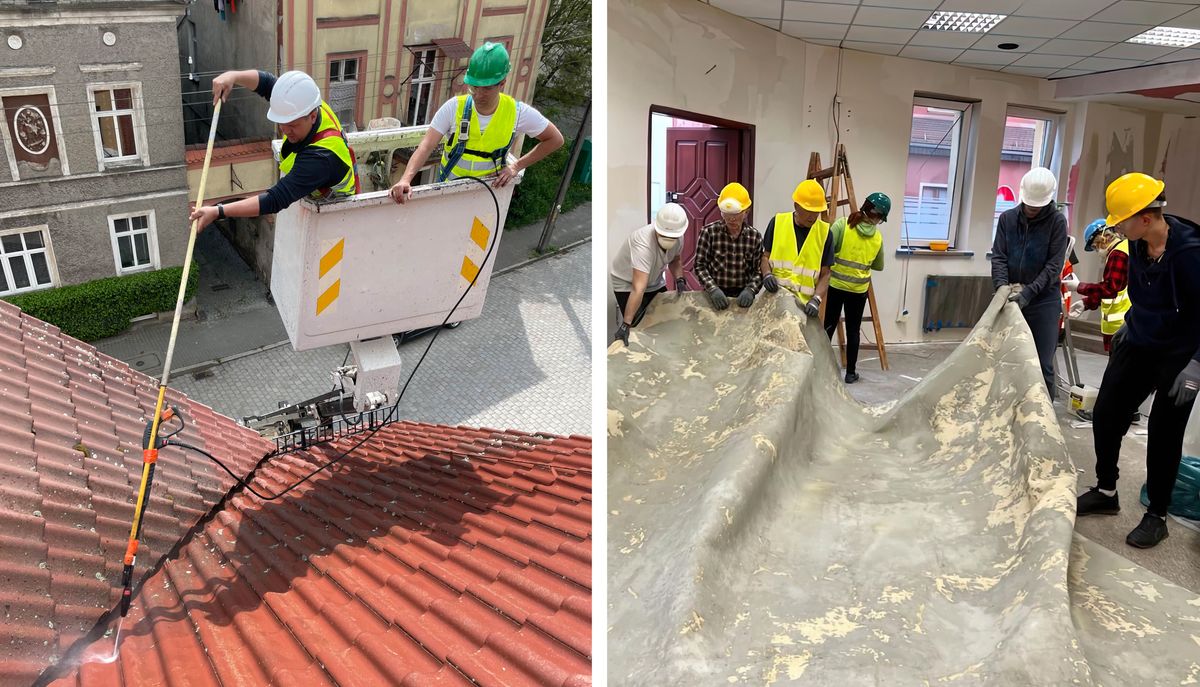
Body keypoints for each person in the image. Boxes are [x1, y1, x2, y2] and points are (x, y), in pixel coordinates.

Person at [1076, 173, 1200, 548]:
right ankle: (1106, 491)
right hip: (1140, 340)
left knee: (1164, 433)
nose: (1116, 228)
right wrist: (1130, 325)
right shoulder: (1137, 242)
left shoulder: (1190, 253)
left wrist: (1195, 367)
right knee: (1106, 413)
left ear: (1145, 218)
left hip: (1181, 354)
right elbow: (1140, 289)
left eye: (1121, 221)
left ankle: (1156, 516)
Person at [389, 42, 563, 203]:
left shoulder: (517, 113)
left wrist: (516, 166)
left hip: (487, 197)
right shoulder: (454, 107)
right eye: (474, 87)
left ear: (502, 83)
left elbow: (555, 139)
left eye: (486, 88)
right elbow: (426, 146)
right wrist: (405, 179)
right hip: (448, 194)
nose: (478, 94)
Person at [190, 70, 358, 230]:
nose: (285, 130)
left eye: (292, 125)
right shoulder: (302, 106)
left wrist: (218, 211)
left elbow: (275, 199)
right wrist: (233, 76)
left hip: (334, 214)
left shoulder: (321, 157)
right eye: (281, 123)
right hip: (314, 193)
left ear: (313, 116)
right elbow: (266, 82)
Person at [990, 167, 1069, 399]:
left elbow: (1054, 266)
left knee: (1041, 363)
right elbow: (999, 257)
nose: (1032, 210)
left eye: (1037, 207)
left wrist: (1029, 293)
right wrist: (1001, 288)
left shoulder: (1057, 222)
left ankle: (1043, 414)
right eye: (1029, 205)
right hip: (1009, 295)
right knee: (1003, 357)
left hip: (1043, 300)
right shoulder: (1007, 219)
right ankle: (1006, 409)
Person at [823, 193, 889, 384]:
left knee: (828, 326)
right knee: (853, 330)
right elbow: (879, 266)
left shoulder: (842, 225)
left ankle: (820, 367)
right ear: (879, 217)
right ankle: (851, 373)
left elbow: (827, 251)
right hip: (858, 291)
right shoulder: (877, 238)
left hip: (835, 285)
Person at [610, 203, 690, 346]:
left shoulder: (679, 237)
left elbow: (675, 260)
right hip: (627, 284)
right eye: (664, 235)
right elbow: (638, 288)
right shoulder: (642, 242)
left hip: (654, 281)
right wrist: (626, 324)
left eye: (672, 237)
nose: (668, 239)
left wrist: (680, 280)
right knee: (642, 328)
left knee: (668, 318)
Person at [761, 179, 834, 318]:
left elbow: (826, 274)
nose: (812, 216)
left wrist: (816, 299)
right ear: (796, 206)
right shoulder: (777, 223)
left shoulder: (825, 233)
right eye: (808, 211)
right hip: (775, 302)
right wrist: (767, 274)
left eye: (816, 211)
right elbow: (765, 257)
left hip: (803, 308)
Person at [1063, 218, 1131, 352]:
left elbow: (1110, 289)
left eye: (1095, 246)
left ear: (1104, 237)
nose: (1097, 250)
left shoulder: (1117, 255)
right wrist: (1087, 303)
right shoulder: (1124, 249)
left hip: (1121, 328)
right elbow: (1118, 290)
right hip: (1125, 327)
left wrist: (1079, 286)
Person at [694, 183, 762, 311]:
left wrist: (751, 289)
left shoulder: (754, 237)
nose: (731, 219)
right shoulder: (709, 232)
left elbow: (758, 270)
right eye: (727, 214)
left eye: (736, 214)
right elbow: (699, 265)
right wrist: (712, 289)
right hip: (715, 294)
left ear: (746, 212)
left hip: (742, 296)